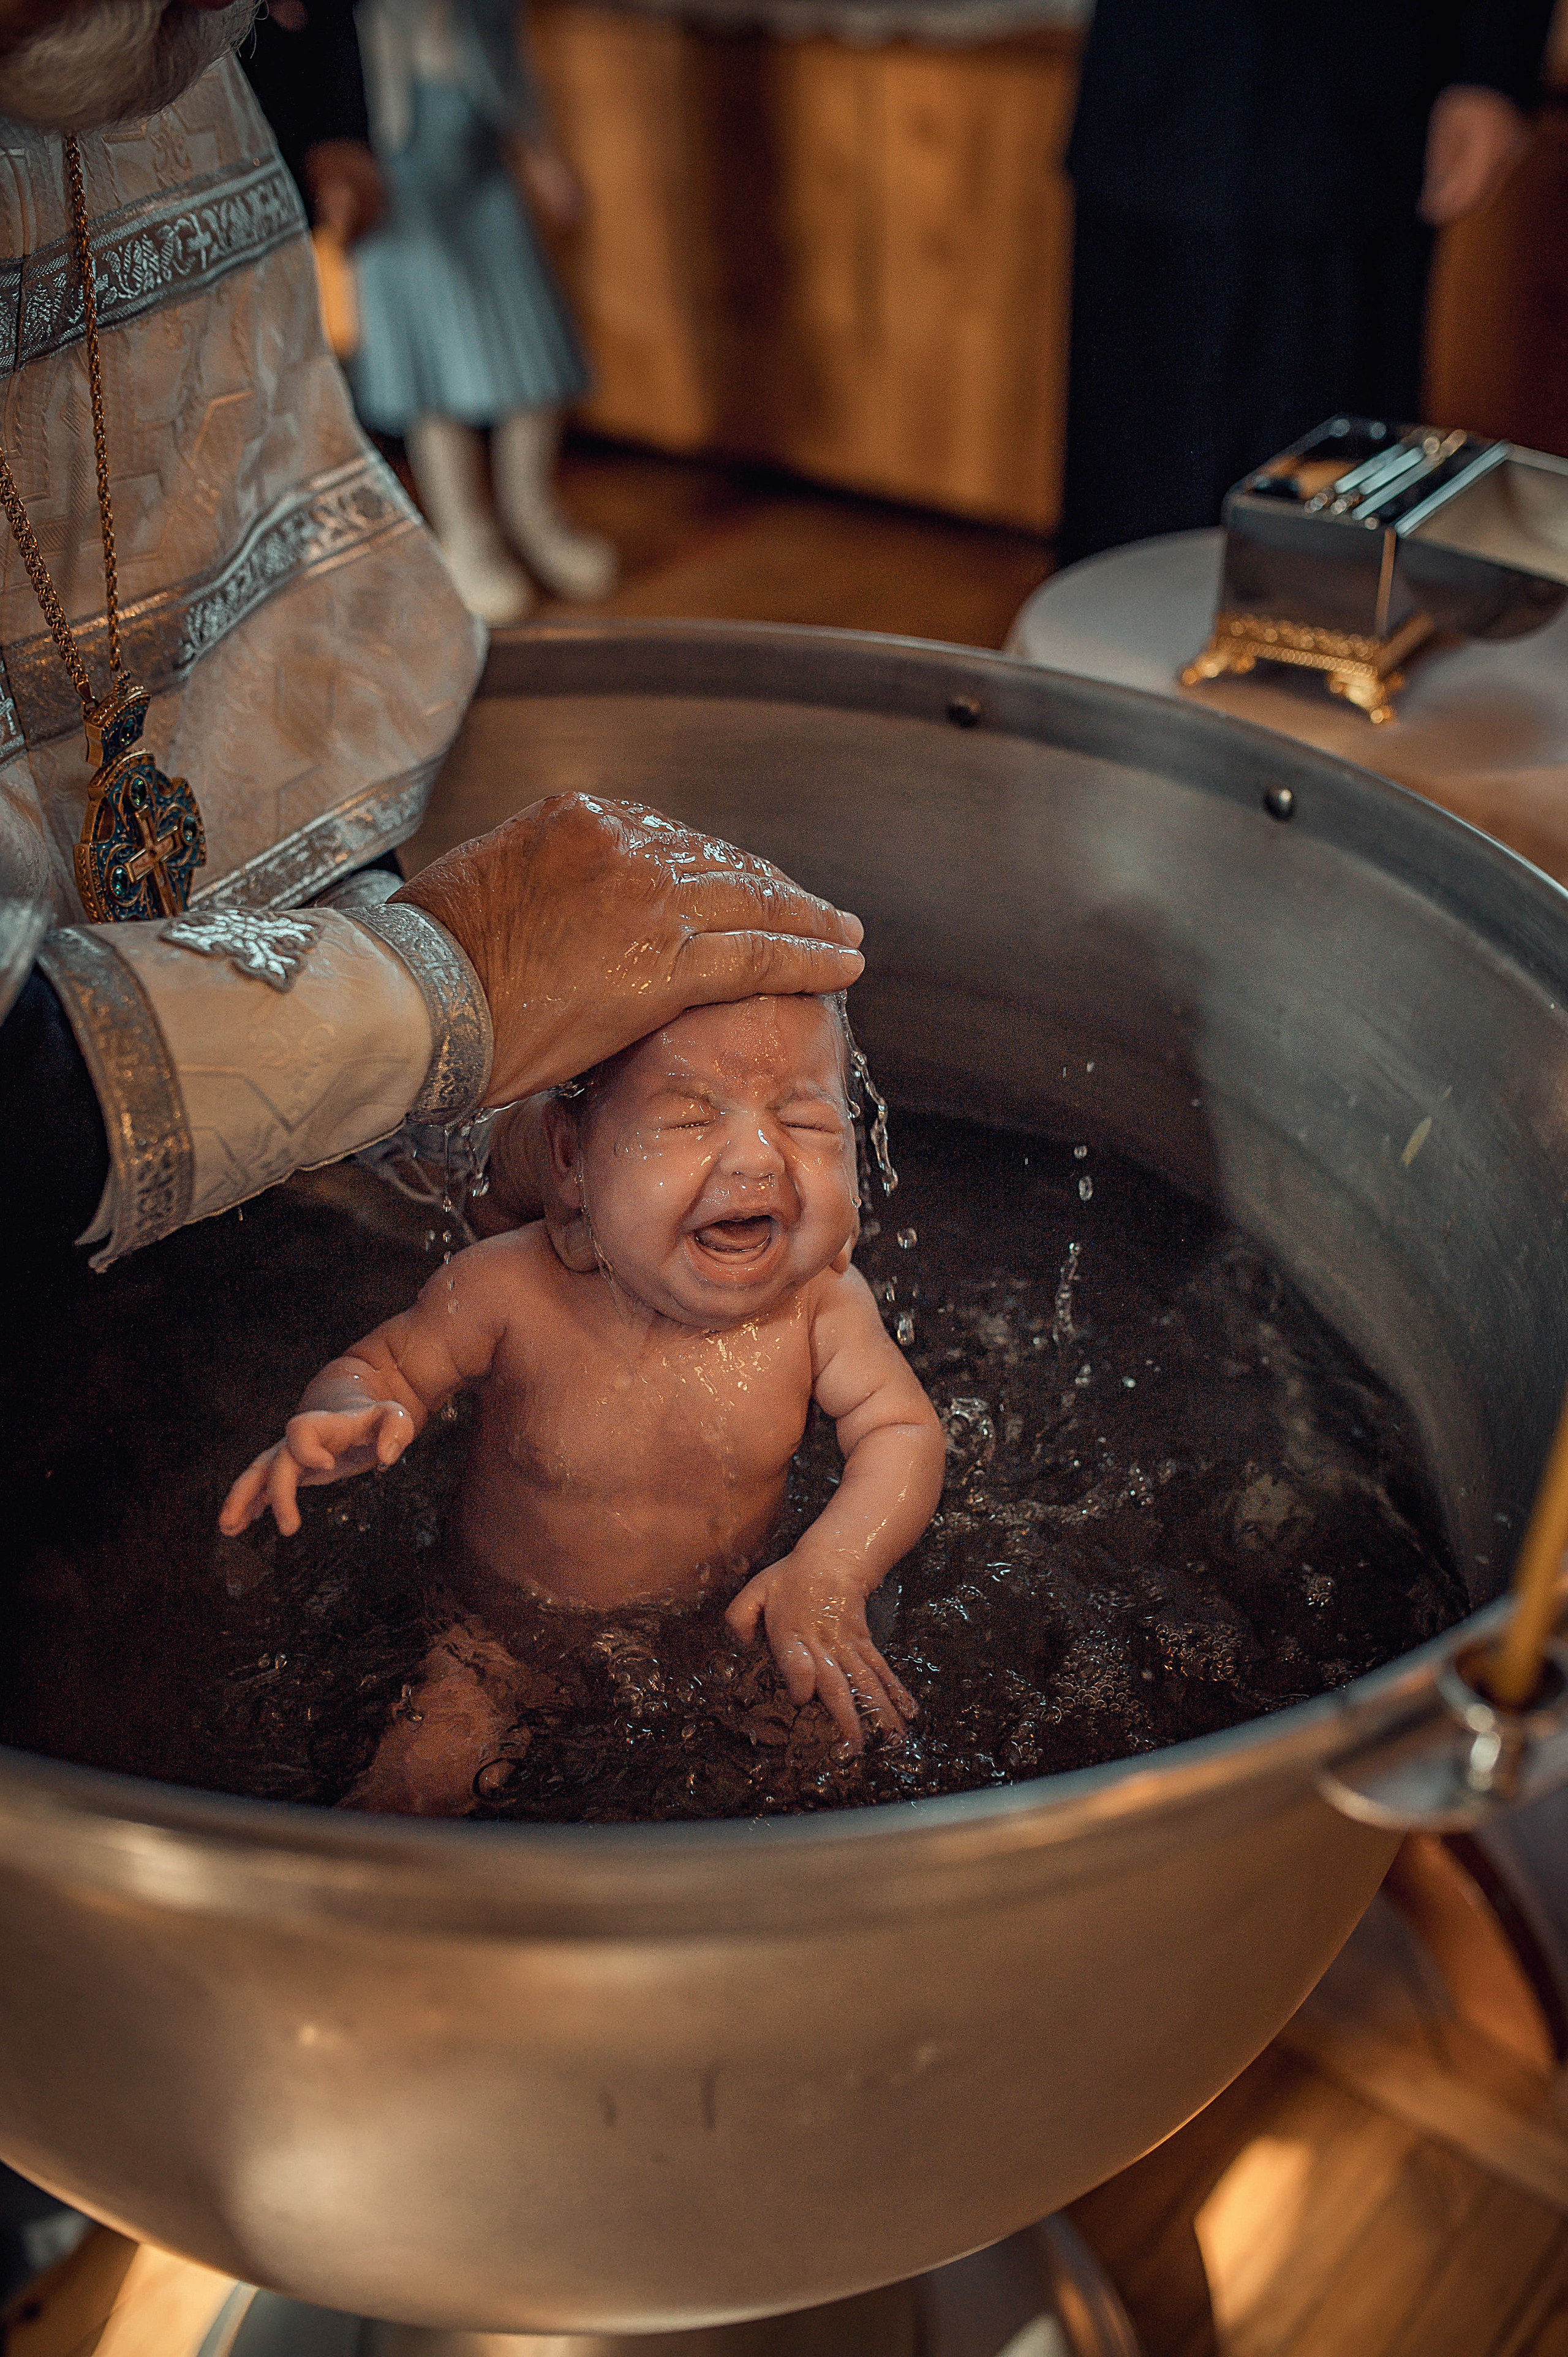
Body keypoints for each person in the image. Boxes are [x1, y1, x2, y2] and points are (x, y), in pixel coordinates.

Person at [0, 1, 863, 1274]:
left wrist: (465, 1118)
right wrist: (445, 986)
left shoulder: (165, 74)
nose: (289, 11)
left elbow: (254, 712)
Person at [219, 991, 948, 1803]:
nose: (757, 1159)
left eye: (806, 1122)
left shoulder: (820, 1306)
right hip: (498, 1641)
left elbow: (901, 1430)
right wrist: (344, 1412)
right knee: (419, 1781)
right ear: (571, 1158)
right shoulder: (507, 1288)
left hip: (731, 1628)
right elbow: (386, 1366)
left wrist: (833, 1566)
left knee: (840, 1759)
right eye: (690, 1119)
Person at [1060, 0, 1557, 564]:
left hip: (1351, 109)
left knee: (1321, 522)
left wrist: (1497, 65)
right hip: (1154, 91)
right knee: (1126, 502)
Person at [350, 0, 617, 624]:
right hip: (395, 176)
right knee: (433, 377)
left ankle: (534, 515)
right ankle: (465, 538)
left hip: (482, 164)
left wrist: (541, 152)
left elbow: (509, 60)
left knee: (534, 351)